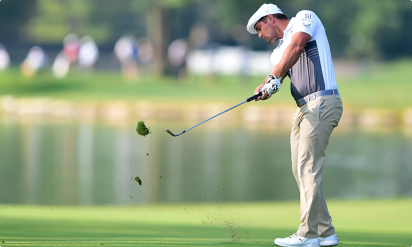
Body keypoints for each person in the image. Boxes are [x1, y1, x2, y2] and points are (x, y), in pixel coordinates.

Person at [246, 4, 343, 247]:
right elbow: (279, 70)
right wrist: (265, 87)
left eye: (259, 28)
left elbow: (298, 45)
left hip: (322, 101)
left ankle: (307, 235)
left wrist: (272, 78)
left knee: (308, 168)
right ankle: (326, 231)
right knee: (301, 172)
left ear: (270, 18)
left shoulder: (305, 18)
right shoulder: (277, 53)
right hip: (303, 109)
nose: (260, 34)